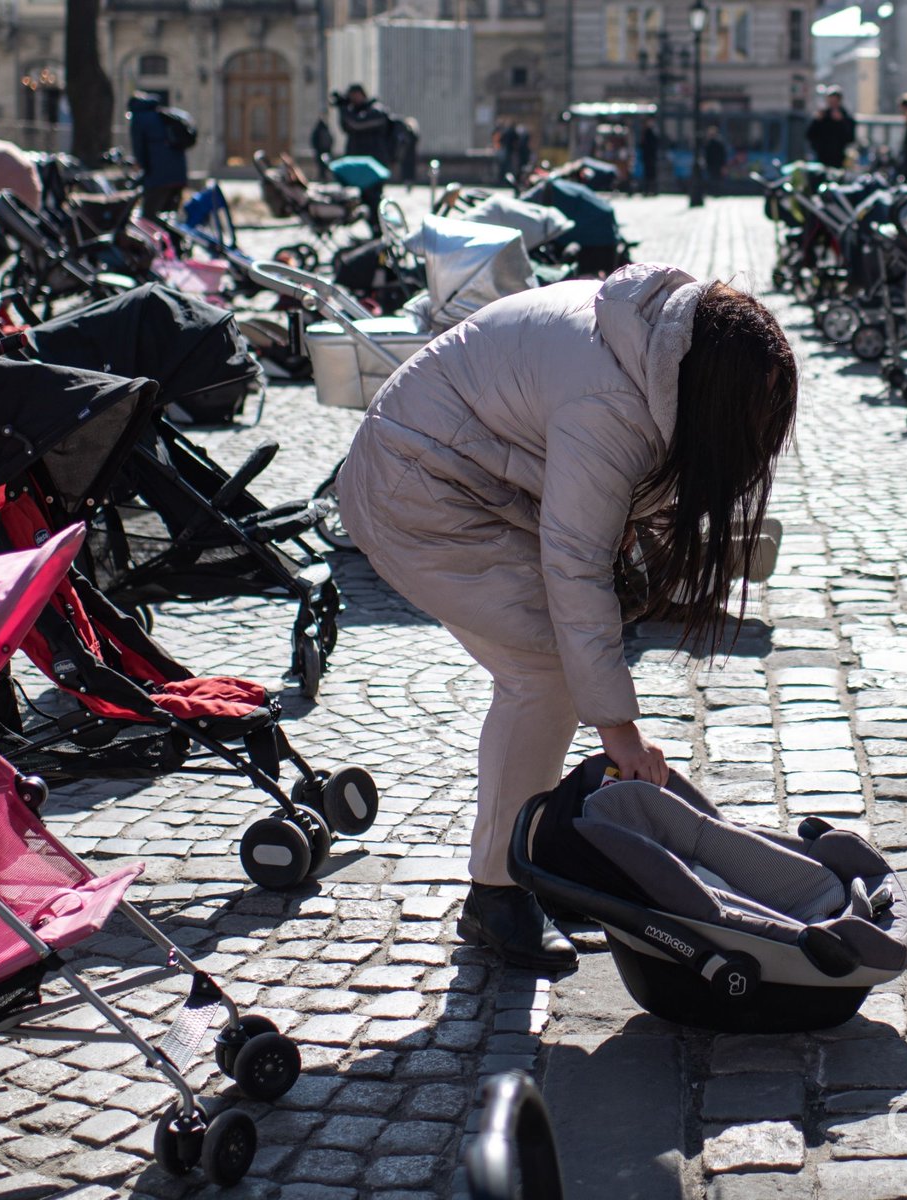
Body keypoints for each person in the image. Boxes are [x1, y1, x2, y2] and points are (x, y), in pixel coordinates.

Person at [335, 264, 798, 971]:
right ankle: (498, 895)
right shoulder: (613, 406)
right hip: (417, 491)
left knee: (554, 664)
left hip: (464, 471)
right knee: (542, 674)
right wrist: (619, 732)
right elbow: (575, 569)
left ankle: (537, 865)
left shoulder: (653, 335)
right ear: (711, 386)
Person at [128, 93, 192, 221]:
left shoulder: (139, 118)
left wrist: (140, 165)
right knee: (169, 218)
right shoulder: (161, 115)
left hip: (159, 176)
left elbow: (139, 148)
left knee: (148, 218)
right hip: (179, 174)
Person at [332, 83, 397, 165]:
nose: (353, 99)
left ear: (362, 94)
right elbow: (345, 128)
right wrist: (343, 107)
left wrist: (343, 108)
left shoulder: (377, 111)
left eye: (355, 95)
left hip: (374, 162)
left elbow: (357, 124)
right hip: (355, 160)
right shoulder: (353, 112)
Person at [806, 86, 856, 170]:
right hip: (821, 157)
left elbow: (850, 138)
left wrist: (841, 121)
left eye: (835, 100)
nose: (833, 103)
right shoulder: (822, 115)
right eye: (830, 100)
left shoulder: (846, 117)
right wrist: (817, 121)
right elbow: (809, 135)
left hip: (838, 159)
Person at [703, 127, 728, 195]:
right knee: (713, 179)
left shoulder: (718, 144)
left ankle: (716, 192)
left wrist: (723, 165)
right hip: (712, 165)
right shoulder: (708, 144)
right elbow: (706, 155)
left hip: (716, 165)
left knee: (716, 179)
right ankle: (714, 192)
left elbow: (722, 155)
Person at [639, 116, 659, 195]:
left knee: (651, 174)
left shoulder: (651, 131)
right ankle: (648, 190)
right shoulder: (646, 132)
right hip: (648, 156)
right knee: (648, 174)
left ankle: (651, 190)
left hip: (650, 156)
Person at [311, 114, 334, 181]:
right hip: (323, 151)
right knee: (322, 165)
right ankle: (322, 177)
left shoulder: (321, 130)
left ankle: (323, 177)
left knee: (323, 165)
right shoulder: (323, 130)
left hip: (323, 151)